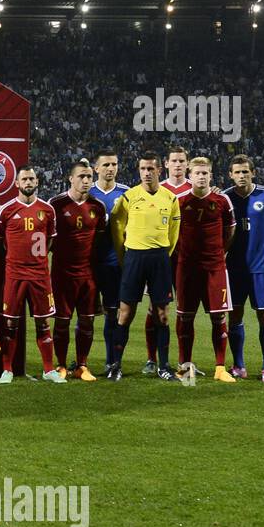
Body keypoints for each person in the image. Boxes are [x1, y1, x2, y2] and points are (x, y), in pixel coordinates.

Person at [107, 152, 181, 381]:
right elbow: (117, 229)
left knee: (162, 315)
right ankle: (116, 365)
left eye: (151, 169)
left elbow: (173, 234)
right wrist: (125, 257)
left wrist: (164, 254)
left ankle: (164, 366)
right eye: (143, 169)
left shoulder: (170, 198)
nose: (147, 173)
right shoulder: (129, 197)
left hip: (160, 259)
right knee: (125, 313)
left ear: (159, 170)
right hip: (134, 258)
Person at [0, 167, 63, 383]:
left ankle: (48, 370)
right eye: (24, 179)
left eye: (31, 178)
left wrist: (37, 259)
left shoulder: (47, 209)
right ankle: (7, 370)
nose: (28, 182)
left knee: (43, 323)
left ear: (37, 181)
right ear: (17, 183)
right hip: (15, 275)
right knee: (10, 324)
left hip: (40, 275)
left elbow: (50, 240)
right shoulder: (6, 210)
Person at [223, 155, 264, 381]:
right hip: (234, 268)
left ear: (253, 173)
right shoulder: (225, 198)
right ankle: (239, 366)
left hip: (262, 269)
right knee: (235, 316)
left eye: (245, 172)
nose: (242, 176)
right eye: (237, 172)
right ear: (230, 175)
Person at [173, 157, 237, 382]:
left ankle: (220, 368)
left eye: (205, 173)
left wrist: (219, 252)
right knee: (185, 317)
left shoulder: (222, 200)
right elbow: (172, 233)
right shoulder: (179, 201)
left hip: (215, 268)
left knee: (219, 317)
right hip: (187, 269)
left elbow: (230, 231)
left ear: (211, 175)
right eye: (197, 173)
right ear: (189, 176)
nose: (201, 176)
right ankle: (185, 368)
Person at [48, 161, 108, 381]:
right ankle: (61, 365)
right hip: (62, 274)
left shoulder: (98, 206)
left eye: (89, 177)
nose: (86, 180)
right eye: (81, 176)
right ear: (70, 178)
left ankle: (82, 365)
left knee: (87, 320)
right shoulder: (56, 204)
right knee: (62, 321)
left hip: (88, 274)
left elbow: (99, 240)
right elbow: (48, 240)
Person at [143, 146, 192, 374]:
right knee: (155, 308)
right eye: (174, 160)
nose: (178, 164)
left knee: (185, 310)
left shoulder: (196, 189)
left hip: (186, 259)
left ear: (187, 164)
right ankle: (151, 360)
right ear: (166, 164)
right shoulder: (157, 189)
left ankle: (183, 362)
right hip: (160, 258)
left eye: (182, 160)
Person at [88, 149, 128, 373]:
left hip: (115, 264)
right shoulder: (87, 193)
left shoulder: (126, 194)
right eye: (106, 165)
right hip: (90, 265)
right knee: (85, 315)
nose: (110, 168)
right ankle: (80, 362)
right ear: (96, 168)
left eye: (114, 164)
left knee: (113, 314)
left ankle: (111, 361)